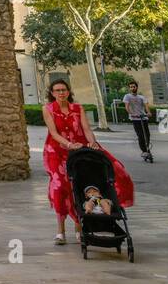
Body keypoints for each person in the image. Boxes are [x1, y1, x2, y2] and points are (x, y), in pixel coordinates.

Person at [41, 79, 134, 246]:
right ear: (52, 93)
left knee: (80, 183)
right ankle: (60, 230)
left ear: (68, 92)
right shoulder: (48, 109)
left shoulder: (77, 109)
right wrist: (68, 144)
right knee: (59, 186)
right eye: (57, 90)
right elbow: (53, 133)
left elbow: (86, 129)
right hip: (57, 151)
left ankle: (79, 227)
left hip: (80, 149)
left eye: (64, 90)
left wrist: (92, 143)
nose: (61, 93)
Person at [123, 81, 152, 159]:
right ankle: (144, 151)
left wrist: (148, 112)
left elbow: (146, 105)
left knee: (147, 135)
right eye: (131, 87)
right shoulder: (127, 96)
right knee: (140, 135)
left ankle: (147, 148)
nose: (132, 88)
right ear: (129, 88)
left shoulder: (141, 97)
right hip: (135, 119)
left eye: (134, 86)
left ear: (137, 87)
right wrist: (131, 113)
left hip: (143, 117)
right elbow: (127, 106)